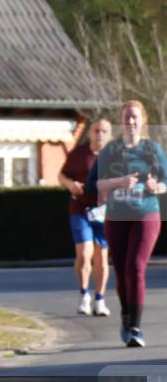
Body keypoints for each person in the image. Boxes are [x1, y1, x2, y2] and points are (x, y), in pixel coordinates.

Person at [86, 100, 167, 347]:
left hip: (146, 213)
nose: (131, 121)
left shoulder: (153, 149)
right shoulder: (111, 150)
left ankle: (135, 327)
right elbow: (93, 185)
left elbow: (165, 182)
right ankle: (125, 315)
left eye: (135, 117)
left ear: (142, 120)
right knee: (121, 270)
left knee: (135, 265)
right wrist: (118, 182)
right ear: (121, 121)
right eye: (126, 117)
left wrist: (157, 187)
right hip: (117, 217)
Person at [58, 119, 112, 316]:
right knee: (84, 253)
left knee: (102, 256)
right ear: (90, 132)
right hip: (80, 209)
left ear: (110, 134)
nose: (100, 135)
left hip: (105, 212)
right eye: (97, 130)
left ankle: (100, 299)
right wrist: (71, 185)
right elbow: (61, 176)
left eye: (104, 131)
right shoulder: (79, 154)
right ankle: (84, 295)